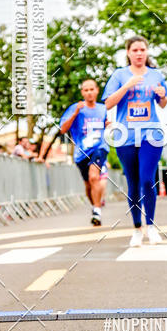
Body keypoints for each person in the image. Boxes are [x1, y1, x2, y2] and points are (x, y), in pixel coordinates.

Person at [103, 35, 167, 246]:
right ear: (128, 53)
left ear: (146, 52)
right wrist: (127, 86)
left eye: (142, 50)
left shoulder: (156, 74)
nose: (139, 53)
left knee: (148, 179)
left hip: (152, 134)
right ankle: (137, 228)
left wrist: (161, 95)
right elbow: (108, 103)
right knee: (133, 183)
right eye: (135, 50)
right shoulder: (119, 75)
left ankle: (151, 226)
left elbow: (164, 103)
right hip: (126, 135)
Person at [60, 79, 108, 227]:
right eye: (86, 90)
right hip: (81, 152)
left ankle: (98, 211)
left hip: (100, 147)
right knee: (88, 184)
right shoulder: (76, 108)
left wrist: (109, 126)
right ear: (82, 92)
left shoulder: (103, 108)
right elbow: (63, 129)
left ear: (97, 90)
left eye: (91, 89)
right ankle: (95, 206)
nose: (89, 92)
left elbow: (107, 124)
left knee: (94, 177)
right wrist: (75, 114)